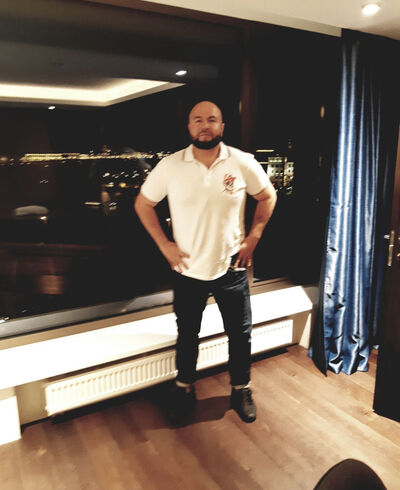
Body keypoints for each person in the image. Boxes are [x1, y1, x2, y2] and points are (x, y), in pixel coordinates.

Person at [134, 101, 277, 424]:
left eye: (212, 119)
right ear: (189, 127)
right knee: (187, 334)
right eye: (197, 120)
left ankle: (240, 388)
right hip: (187, 269)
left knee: (240, 334)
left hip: (232, 266)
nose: (205, 125)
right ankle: (184, 387)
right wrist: (164, 245)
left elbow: (268, 196)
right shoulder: (170, 166)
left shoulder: (241, 161)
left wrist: (253, 237)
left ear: (222, 126)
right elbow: (143, 204)